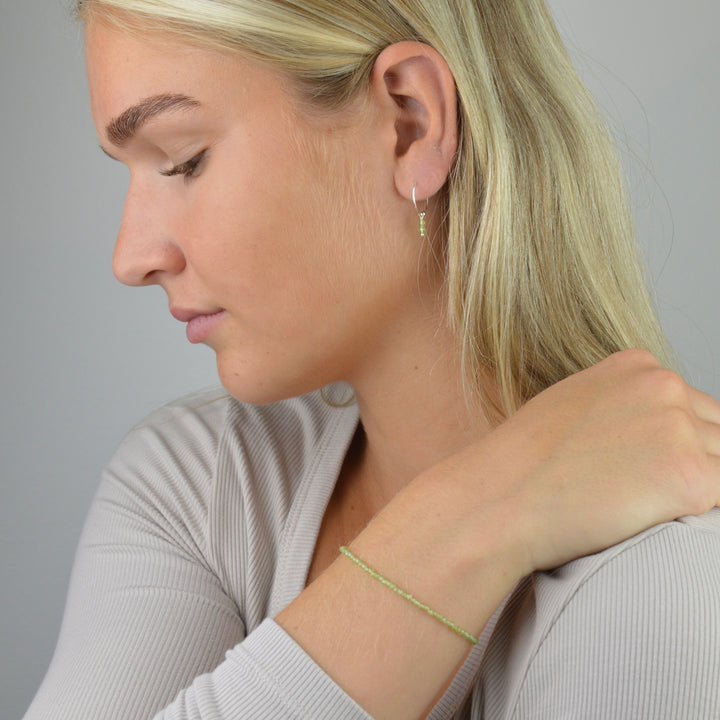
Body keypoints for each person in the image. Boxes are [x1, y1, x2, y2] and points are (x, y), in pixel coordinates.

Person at [24, 1, 720, 719]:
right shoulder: (200, 486)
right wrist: (488, 507)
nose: (130, 257)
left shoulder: (658, 583)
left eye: (182, 160)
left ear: (410, 123)